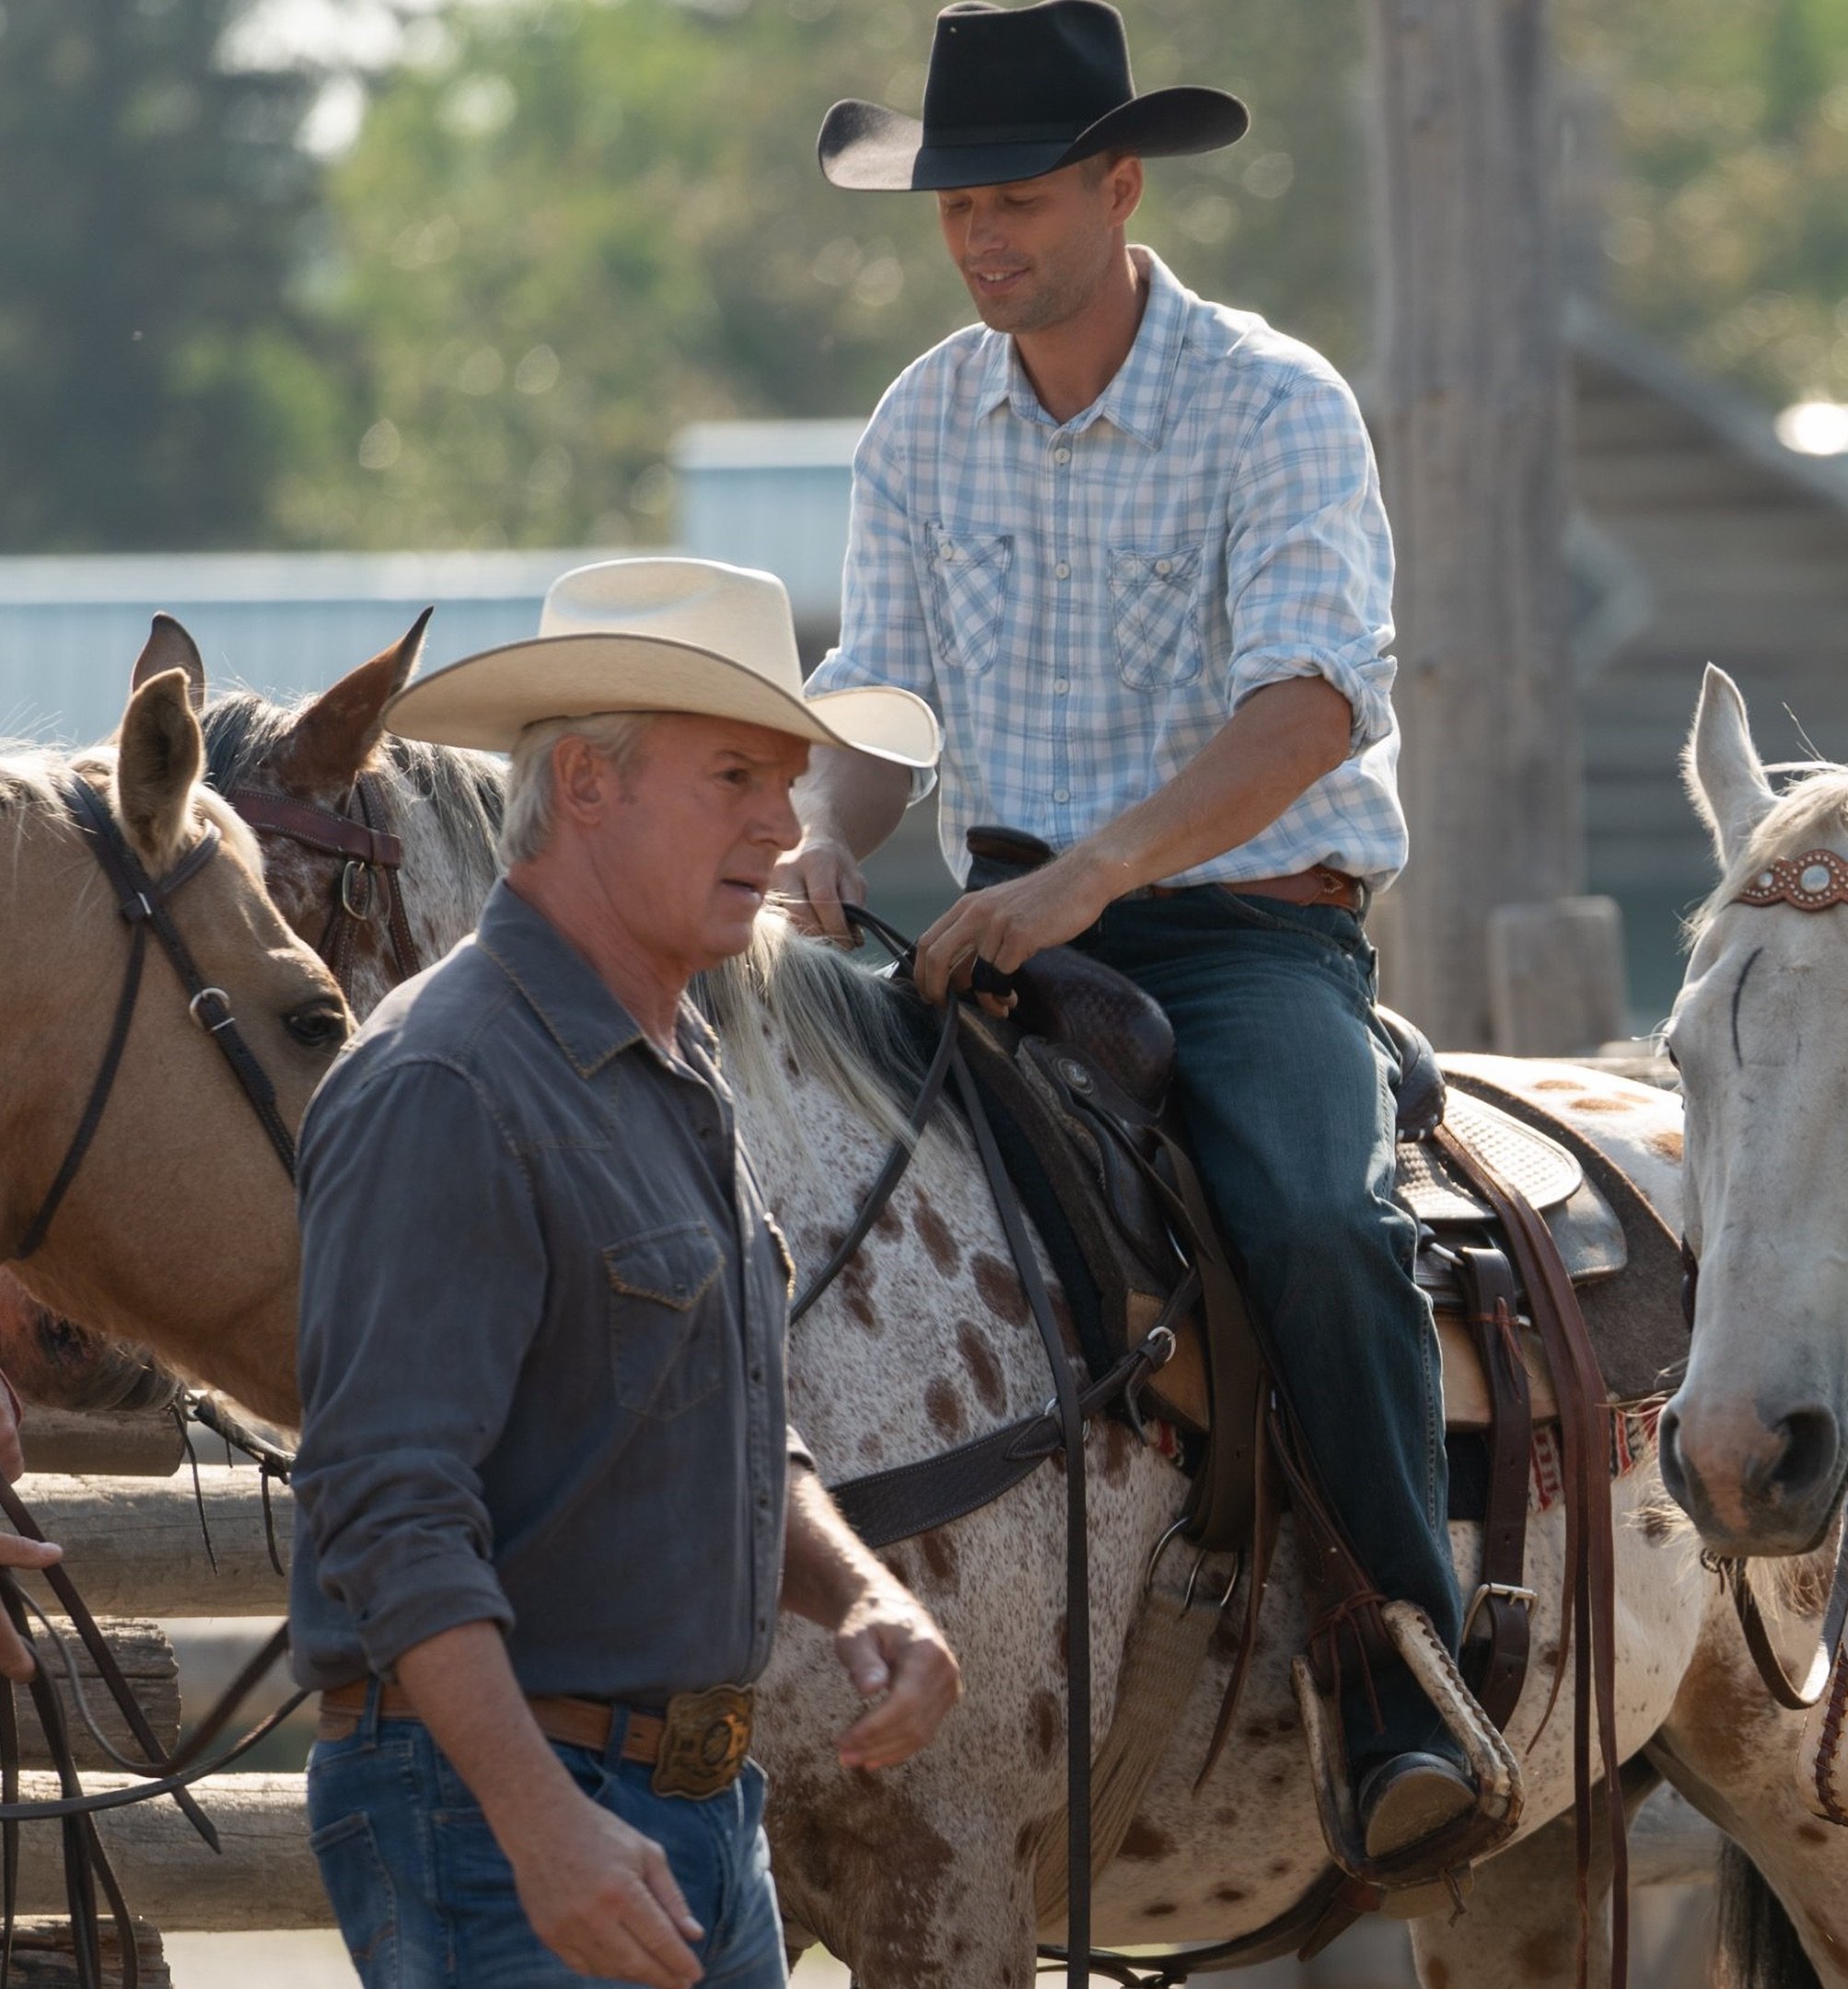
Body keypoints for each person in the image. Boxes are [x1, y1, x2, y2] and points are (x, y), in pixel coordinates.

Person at [776, 0, 1476, 1855]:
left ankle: (1412, 1672)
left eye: (1014, 198)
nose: (983, 237)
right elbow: (882, 693)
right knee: (796, 1193)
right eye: (953, 211)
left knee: (1321, 1223)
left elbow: (1313, 701)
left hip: (1246, 935)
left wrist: (1094, 873)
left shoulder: (1273, 399)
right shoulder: (924, 419)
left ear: (1119, 183)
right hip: (999, 935)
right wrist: (810, 840)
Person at [290, 558, 965, 1989]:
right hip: (513, 1816)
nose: (782, 826)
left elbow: (718, 1423)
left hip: (684, 1811)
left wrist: (859, 1596)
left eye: (786, 785)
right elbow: (386, 1509)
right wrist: (542, 1827)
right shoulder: (447, 1082)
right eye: (734, 776)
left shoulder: (674, 1061)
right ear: (585, 787)